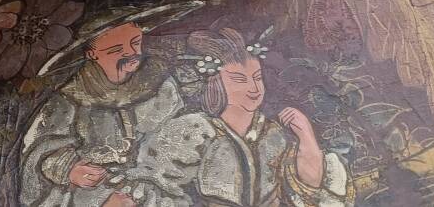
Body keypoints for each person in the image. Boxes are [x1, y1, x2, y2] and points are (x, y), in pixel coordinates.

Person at [121, 28, 352, 206]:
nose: (254, 88)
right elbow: (159, 191)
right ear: (216, 83)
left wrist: (307, 138)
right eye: (239, 80)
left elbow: (308, 194)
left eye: (257, 77)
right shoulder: (192, 130)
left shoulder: (274, 134)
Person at [20, 2, 201, 206]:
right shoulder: (69, 96)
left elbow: (178, 139)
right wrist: (69, 169)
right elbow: (38, 148)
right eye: (116, 49)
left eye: (135, 42)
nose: (131, 53)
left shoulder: (162, 86)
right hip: (90, 195)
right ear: (91, 54)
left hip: (152, 189)